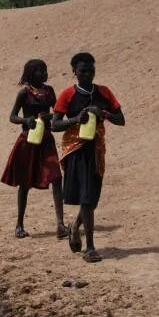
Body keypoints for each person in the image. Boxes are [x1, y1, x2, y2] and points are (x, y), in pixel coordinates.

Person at [51, 52, 125, 262]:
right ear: (74, 72)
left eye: (91, 70)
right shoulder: (67, 95)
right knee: (86, 196)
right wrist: (76, 118)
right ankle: (90, 248)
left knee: (91, 200)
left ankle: (74, 227)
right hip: (76, 149)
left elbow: (121, 119)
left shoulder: (104, 92)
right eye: (83, 70)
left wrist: (105, 114)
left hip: (97, 150)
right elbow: (54, 124)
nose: (87, 74)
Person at [0, 59, 66, 240]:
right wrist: (25, 120)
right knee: (24, 183)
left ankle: (60, 224)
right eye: (40, 71)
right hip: (28, 141)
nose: (44, 74)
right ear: (30, 74)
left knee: (57, 178)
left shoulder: (49, 91)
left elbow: (59, 112)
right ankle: (19, 224)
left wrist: (49, 116)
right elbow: (12, 116)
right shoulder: (24, 93)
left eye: (45, 70)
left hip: (46, 140)